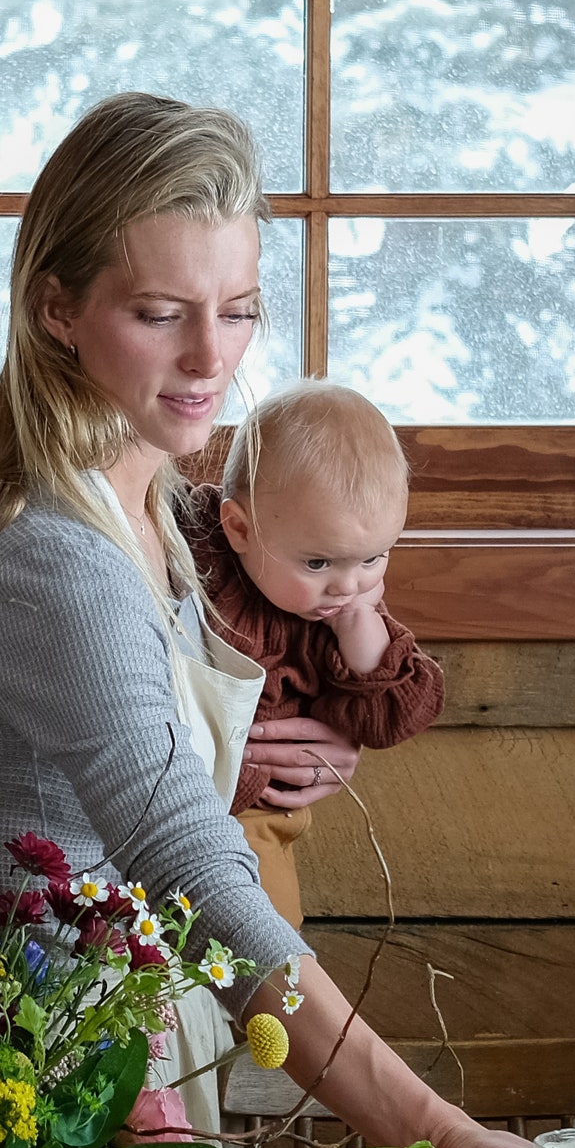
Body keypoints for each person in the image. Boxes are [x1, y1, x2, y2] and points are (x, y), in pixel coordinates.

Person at [0, 91, 574, 1148]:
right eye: (159, 314)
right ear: (56, 310)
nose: (213, 357)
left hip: (130, 1037)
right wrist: (438, 1133)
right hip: (57, 1090)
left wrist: (247, 755)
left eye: (238, 310)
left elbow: (124, 759)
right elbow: (176, 853)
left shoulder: (157, 512)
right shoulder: (55, 555)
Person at [190, 382, 445, 925]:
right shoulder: (198, 544)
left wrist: (360, 627)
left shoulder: (338, 617)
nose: (347, 586)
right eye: (317, 564)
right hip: (180, 801)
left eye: (374, 558)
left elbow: (395, 716)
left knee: (265, 950)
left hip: (254, 820)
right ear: (237, 527)